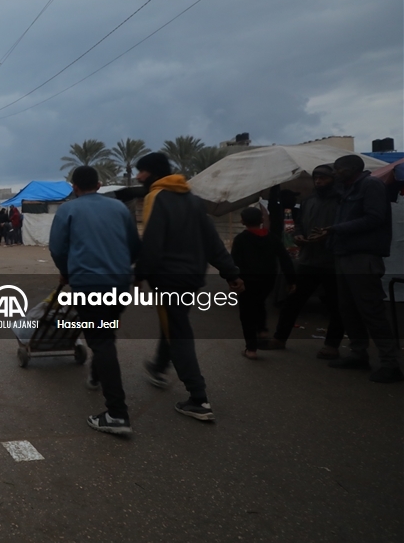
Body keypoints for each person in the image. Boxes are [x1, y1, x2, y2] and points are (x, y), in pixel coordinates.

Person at [134, 153, 242, 422]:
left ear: (154, 173)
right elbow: (212, 241)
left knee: (178, 331)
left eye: (142, 172)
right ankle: (159, 366)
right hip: (191, 277)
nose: (138, 177)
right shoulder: (193, 201)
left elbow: (152, 243)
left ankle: (199, 398)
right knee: (174, 321)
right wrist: (231, 273)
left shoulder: (156, 198)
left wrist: (138, 276)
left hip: (168, 278)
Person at [50, 166, 141, 435]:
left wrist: (66, 273)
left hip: (89, 284)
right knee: (105, 334)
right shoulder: (120, 209)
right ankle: (96, 374)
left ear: (74, 187)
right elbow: (135, 246)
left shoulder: (68, 210)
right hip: (120, 283)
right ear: (99, 184)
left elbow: (57, 248)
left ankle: (117, 414)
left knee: (101, 341)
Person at [319, 155, 401, 383]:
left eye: (339, 169)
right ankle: (358, 354)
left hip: (362, 257)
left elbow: (375, 218)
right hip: (345, 255)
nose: (335, 173)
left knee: (371, 310)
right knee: (348, 309)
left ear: (354, 168)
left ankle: (390, 363)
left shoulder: (371, 185)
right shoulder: (347, 189)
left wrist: (337, 229)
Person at [270, 166, 342, 357]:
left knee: (336, 305)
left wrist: (329, 235)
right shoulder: (309, 201)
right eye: (316, 178)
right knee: (292, 301)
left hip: (333, 261)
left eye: (323, 178)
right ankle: (279, 338)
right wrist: (299, 235)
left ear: (332, 179)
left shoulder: (343, 200)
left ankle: (332, 346)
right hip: (308, 260)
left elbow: (346, 227)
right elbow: (299, 224)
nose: (318, 182)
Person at [231, 207, 295, 359]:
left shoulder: (240, 239)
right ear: (261, 220)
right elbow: (285, 259)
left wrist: (232, 280)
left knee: (247, 313)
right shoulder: (272, 238)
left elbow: (234, 263)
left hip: (247, 282)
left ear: (242, 221)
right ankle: (262, 329)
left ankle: (251, 349)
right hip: (268, 281)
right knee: (259, 302)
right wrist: (291, 280)